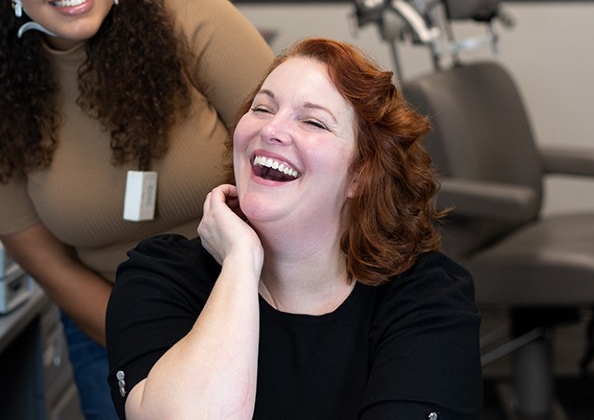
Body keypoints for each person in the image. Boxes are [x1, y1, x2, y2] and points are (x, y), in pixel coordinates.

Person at [0, 0, 274, 420]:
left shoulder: (189, 17)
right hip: (114, 326)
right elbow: (50, 267)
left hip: (261, 294)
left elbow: (291, 163)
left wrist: (244, 313)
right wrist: (161, 344)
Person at [106, 37, 483, 419]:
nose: (271, 130)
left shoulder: (427, 297)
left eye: (313, 121)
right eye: (263, 108)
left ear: (361, 175)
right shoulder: (159, 277)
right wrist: (240, 262)